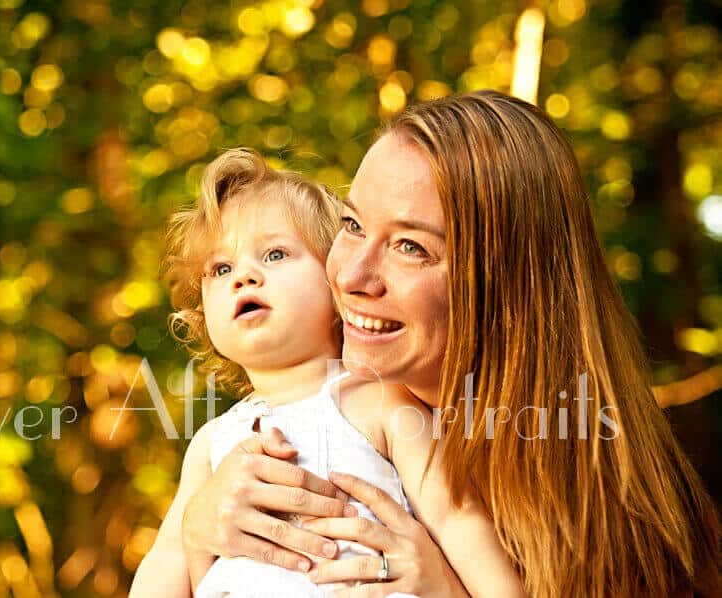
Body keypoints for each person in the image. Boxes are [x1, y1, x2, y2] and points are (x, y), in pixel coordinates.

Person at [177, 91, 722, 597]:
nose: (351, 276)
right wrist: (197, 534)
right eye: (353, 224)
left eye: (411, 247)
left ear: (505, 285)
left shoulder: (604, 507)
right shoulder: (238, 439)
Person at [129, 147, 526, 597]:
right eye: (221, 268)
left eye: (275, 255)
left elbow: (457, 517)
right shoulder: (212, 443)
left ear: (335, 282)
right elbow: (171, 557)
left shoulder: (378, 401)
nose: (244, 277)